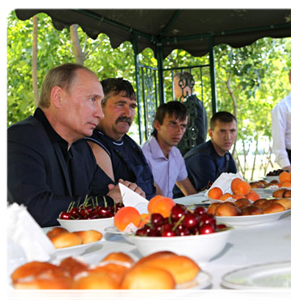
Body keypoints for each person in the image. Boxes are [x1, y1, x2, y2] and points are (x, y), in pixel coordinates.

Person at [5, 63, 143, 227]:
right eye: (92, 100)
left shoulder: (81, 148)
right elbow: (34, 209)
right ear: (58, 97)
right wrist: (106, 201)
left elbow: (107, 194)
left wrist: (126, 195)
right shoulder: (20, 137)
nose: (100, 114)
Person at [86, 78, 160, 200]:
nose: (127, 113)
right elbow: (113, 202)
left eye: (132, 106)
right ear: (100, 106)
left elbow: (154, 188)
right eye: (120, 104)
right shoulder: (95, 146)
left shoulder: (131, 144)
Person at [142, 101, 197, 198]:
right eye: (173, 124)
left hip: (169, 209)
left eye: (183, 126)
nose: (179, 131)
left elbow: (190, 192)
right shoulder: (144, 155)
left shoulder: (176, 153)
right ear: (158, 125)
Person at [184, 111, 238, 191]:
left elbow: (235, 186)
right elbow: (210, 194)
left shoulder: (227, 156)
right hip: (179, 202)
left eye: (232, 131)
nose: (228, 137)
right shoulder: (202, 157)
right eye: (222, 131)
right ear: (211, 133)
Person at [173, 71, 208, 156]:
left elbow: (199, 135)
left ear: (183, 83)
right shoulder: (192, 103)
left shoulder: (193, 105)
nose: (172, 89)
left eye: (174, 84)